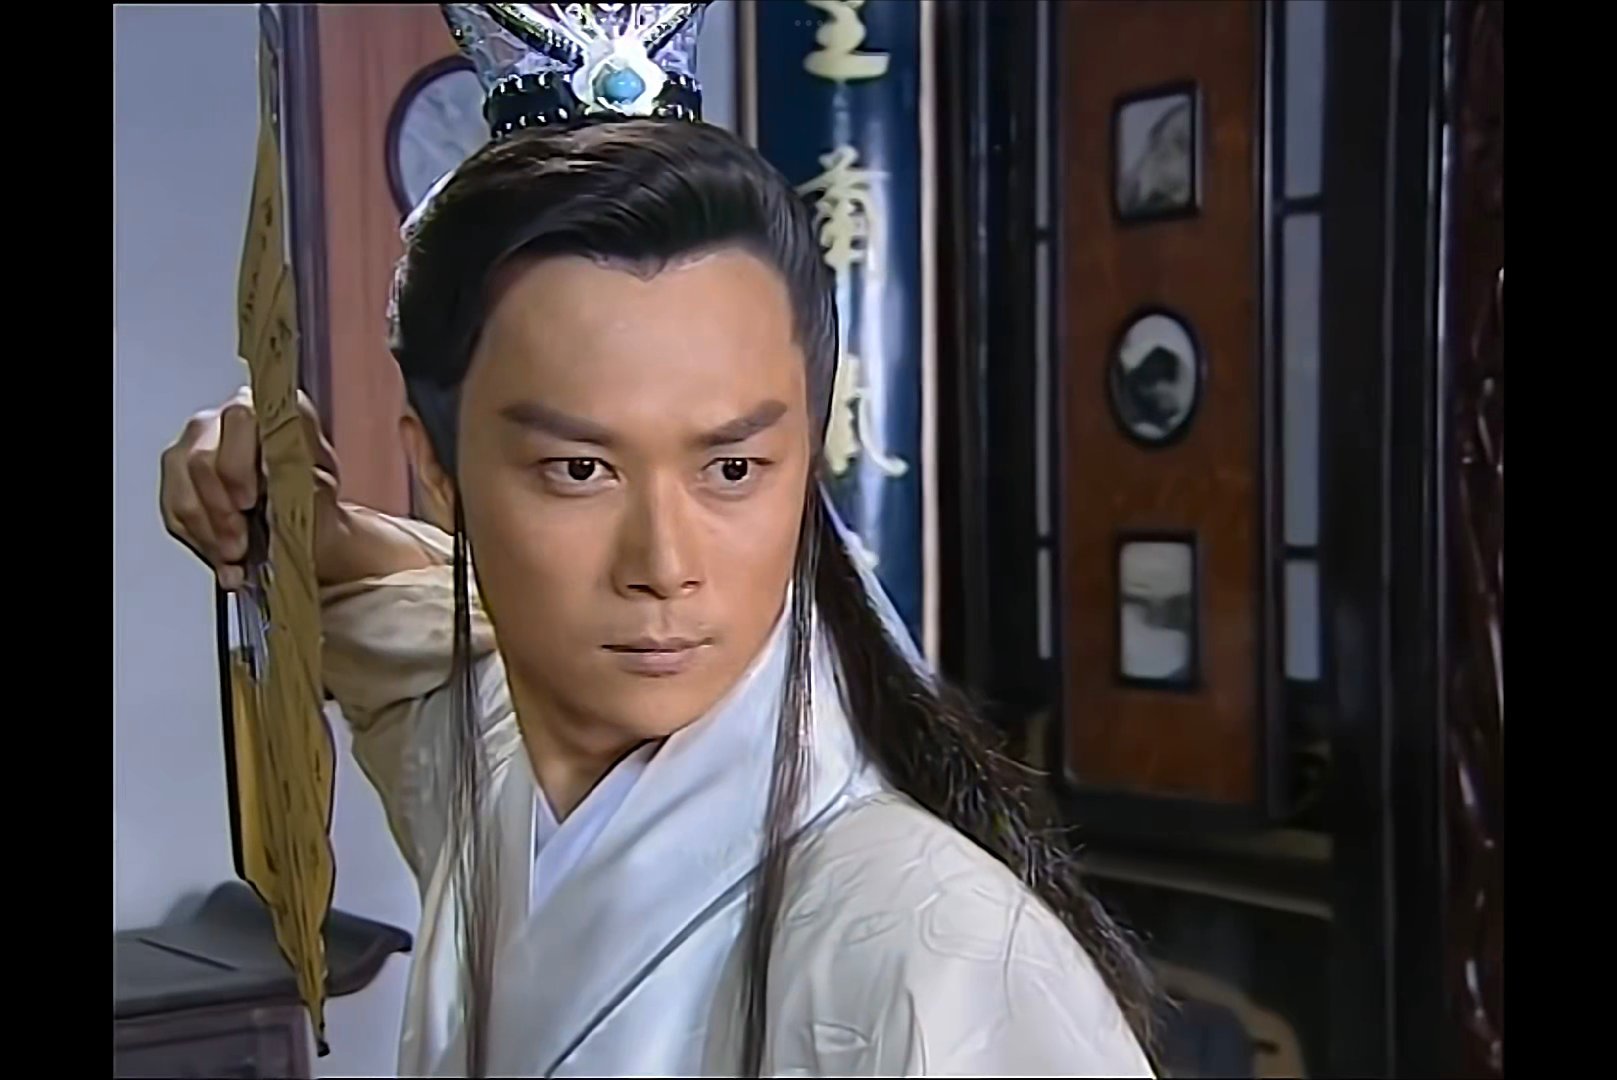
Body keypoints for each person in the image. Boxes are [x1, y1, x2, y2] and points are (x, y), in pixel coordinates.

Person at [158, 5, 1159, 1076]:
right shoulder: (498, 768)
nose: (664, 566)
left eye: (731, 469)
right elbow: (402, 632)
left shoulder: (948, 959)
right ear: (437, 471)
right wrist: (285, 515)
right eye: (579, 470)